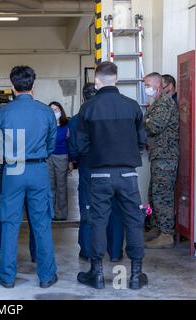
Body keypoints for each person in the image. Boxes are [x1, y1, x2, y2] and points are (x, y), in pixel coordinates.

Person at [76, 61, 148, 290]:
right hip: (128, 174)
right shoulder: (133, 106)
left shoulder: (88, 108)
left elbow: (80, 145)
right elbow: (142, 142)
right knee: (134, 222)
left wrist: (98, 156)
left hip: (99, 174)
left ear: (97, 81)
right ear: (116, 79)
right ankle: (136, 274)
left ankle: (96, 274)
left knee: (98, 221)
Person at [0, 66, 58, 289]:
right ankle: (47, 276)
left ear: (12, 86)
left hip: (13, 170)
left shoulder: (3, 113)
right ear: (33, 85)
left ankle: (7, 276)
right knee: (41, 224)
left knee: (10, 223)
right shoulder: (46, 112)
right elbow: (51, 144)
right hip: (38, 169)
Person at [69, 83, 125, 262]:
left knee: (89, 209)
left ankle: (87, 251)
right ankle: (115, 252)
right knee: (115, 210)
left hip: (89, 167)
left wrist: (75, 159)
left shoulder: (77, 119)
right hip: (116, 167)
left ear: (83, 97)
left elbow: (75, 148)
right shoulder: (119, 114)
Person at [143, 72, 179, 249]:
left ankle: (166, 234)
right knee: (154, 193)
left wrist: (147, 120)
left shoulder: (164, 102)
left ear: (158, 85)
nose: (146, 88)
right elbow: (147, 122)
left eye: (147, 84)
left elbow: (153, 126)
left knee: (163, 195)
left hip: (166, 156)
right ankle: (157, 227)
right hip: (159, 155)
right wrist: (147, 120)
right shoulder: (157, 103)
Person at [48, 101, 70, 221]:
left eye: (56, 109)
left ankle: (61, 213)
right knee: (50, 186)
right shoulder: (46, 125)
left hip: (62, 156)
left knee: (61, 185)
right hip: (48, 157)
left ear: (60, 111)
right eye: (51, 109)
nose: (54, 112)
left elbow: (70, 142)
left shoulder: (67, 125)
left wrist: (71, 161)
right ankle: (50, 212)